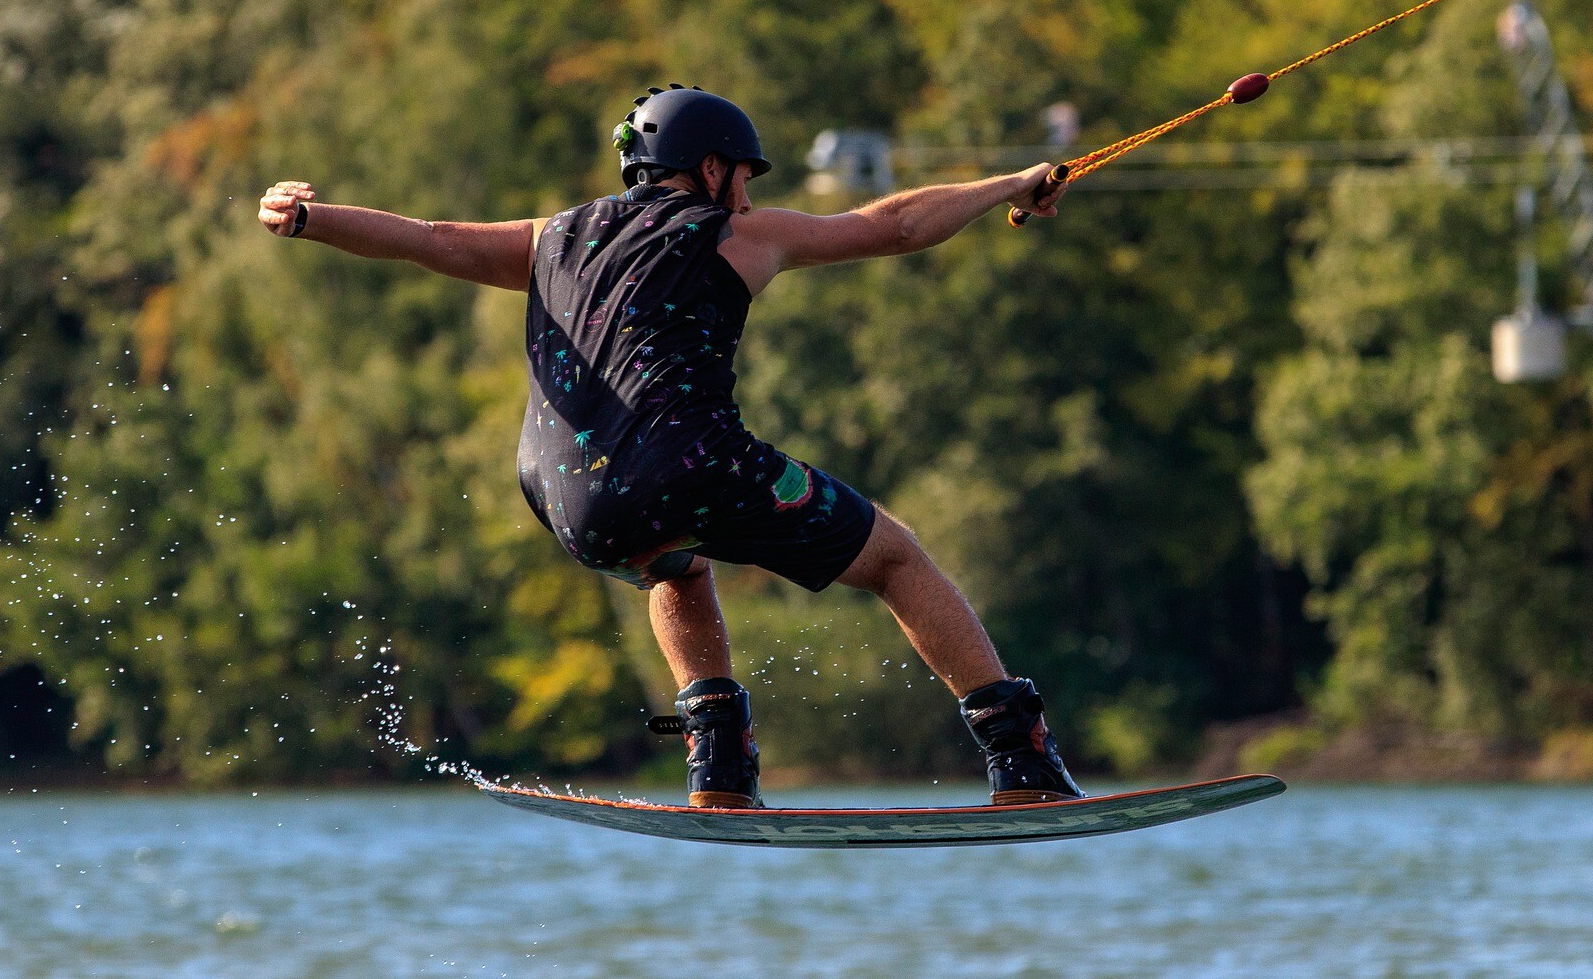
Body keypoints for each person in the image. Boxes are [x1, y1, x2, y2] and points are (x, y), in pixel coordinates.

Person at [257, 85, 1083, 809]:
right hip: (693, 469)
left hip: (567, 502)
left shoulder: (550, 238)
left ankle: (718, 762)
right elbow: (895, 224)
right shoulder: (728, 235)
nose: (751, 202)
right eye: (745, 180)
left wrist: (307, 218)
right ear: (711, 168)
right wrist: (1013, 182)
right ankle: (1021, 753)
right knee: (895, 557)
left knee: (673, 561)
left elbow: (426, 237)